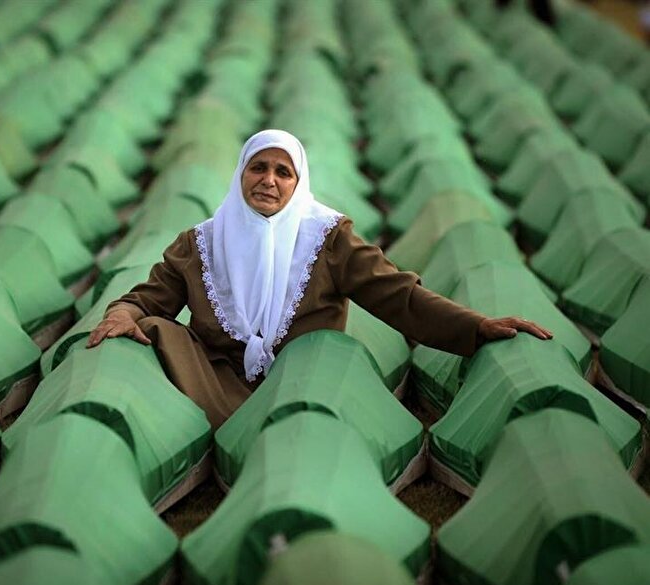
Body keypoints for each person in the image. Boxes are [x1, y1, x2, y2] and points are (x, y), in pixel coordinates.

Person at [87, 130, 553, 429]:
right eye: (258, 167)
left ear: (297, 183)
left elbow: (399, 297)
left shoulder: (327, 238)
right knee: (149, 330)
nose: (268, 180)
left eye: (282, 172)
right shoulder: (201, 242)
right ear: (240, 174)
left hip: (302, 379)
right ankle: (209, 424)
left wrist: (476, 327)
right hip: (215, 377)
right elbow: (148, 299)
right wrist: (121, 314)